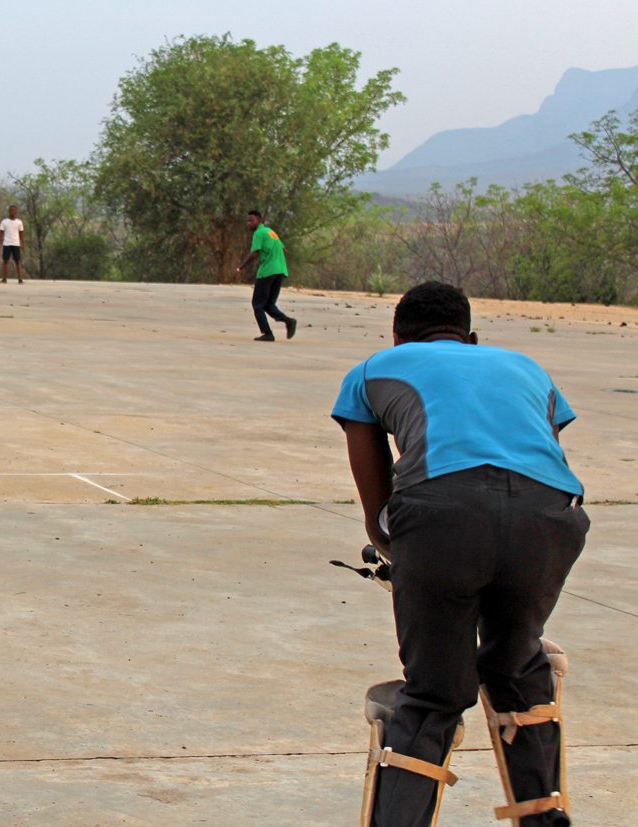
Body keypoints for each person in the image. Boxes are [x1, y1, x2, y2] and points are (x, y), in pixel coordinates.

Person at [333, 282, 587, 827]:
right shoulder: (528, 368)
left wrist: (400, 550)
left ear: (397, 338)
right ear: (471, 339)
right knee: (517, 664)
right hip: (552, 520)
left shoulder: (375, 369)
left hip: (440, 519)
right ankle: (544, 818)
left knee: (433, 696)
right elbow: (542, 459)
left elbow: (377, 503)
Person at [236, 210, 297, 341]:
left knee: (257, 305)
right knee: (269, 304)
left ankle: (267, 333)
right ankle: (289, 321)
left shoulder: (259, 233)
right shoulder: (271, 232)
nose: (249, 223)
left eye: (251, 220)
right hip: (280, 271)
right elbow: (284, 250)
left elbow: (254, 254)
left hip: (267, 272)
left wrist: (241, 268)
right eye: (248, 221)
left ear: (259, 220)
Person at [0, 205, 25, 284]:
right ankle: (4, 279)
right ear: (9, 211)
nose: (12, 212)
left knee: (17, 261)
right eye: (11, 210)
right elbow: (0, 233)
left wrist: (23, 244)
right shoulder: (4, 221)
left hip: (16, 244)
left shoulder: (19, 222)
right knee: (5, 261)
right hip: (7, 243)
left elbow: (21, 234)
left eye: (14, 210)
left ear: (16, 212)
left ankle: (20, 279)